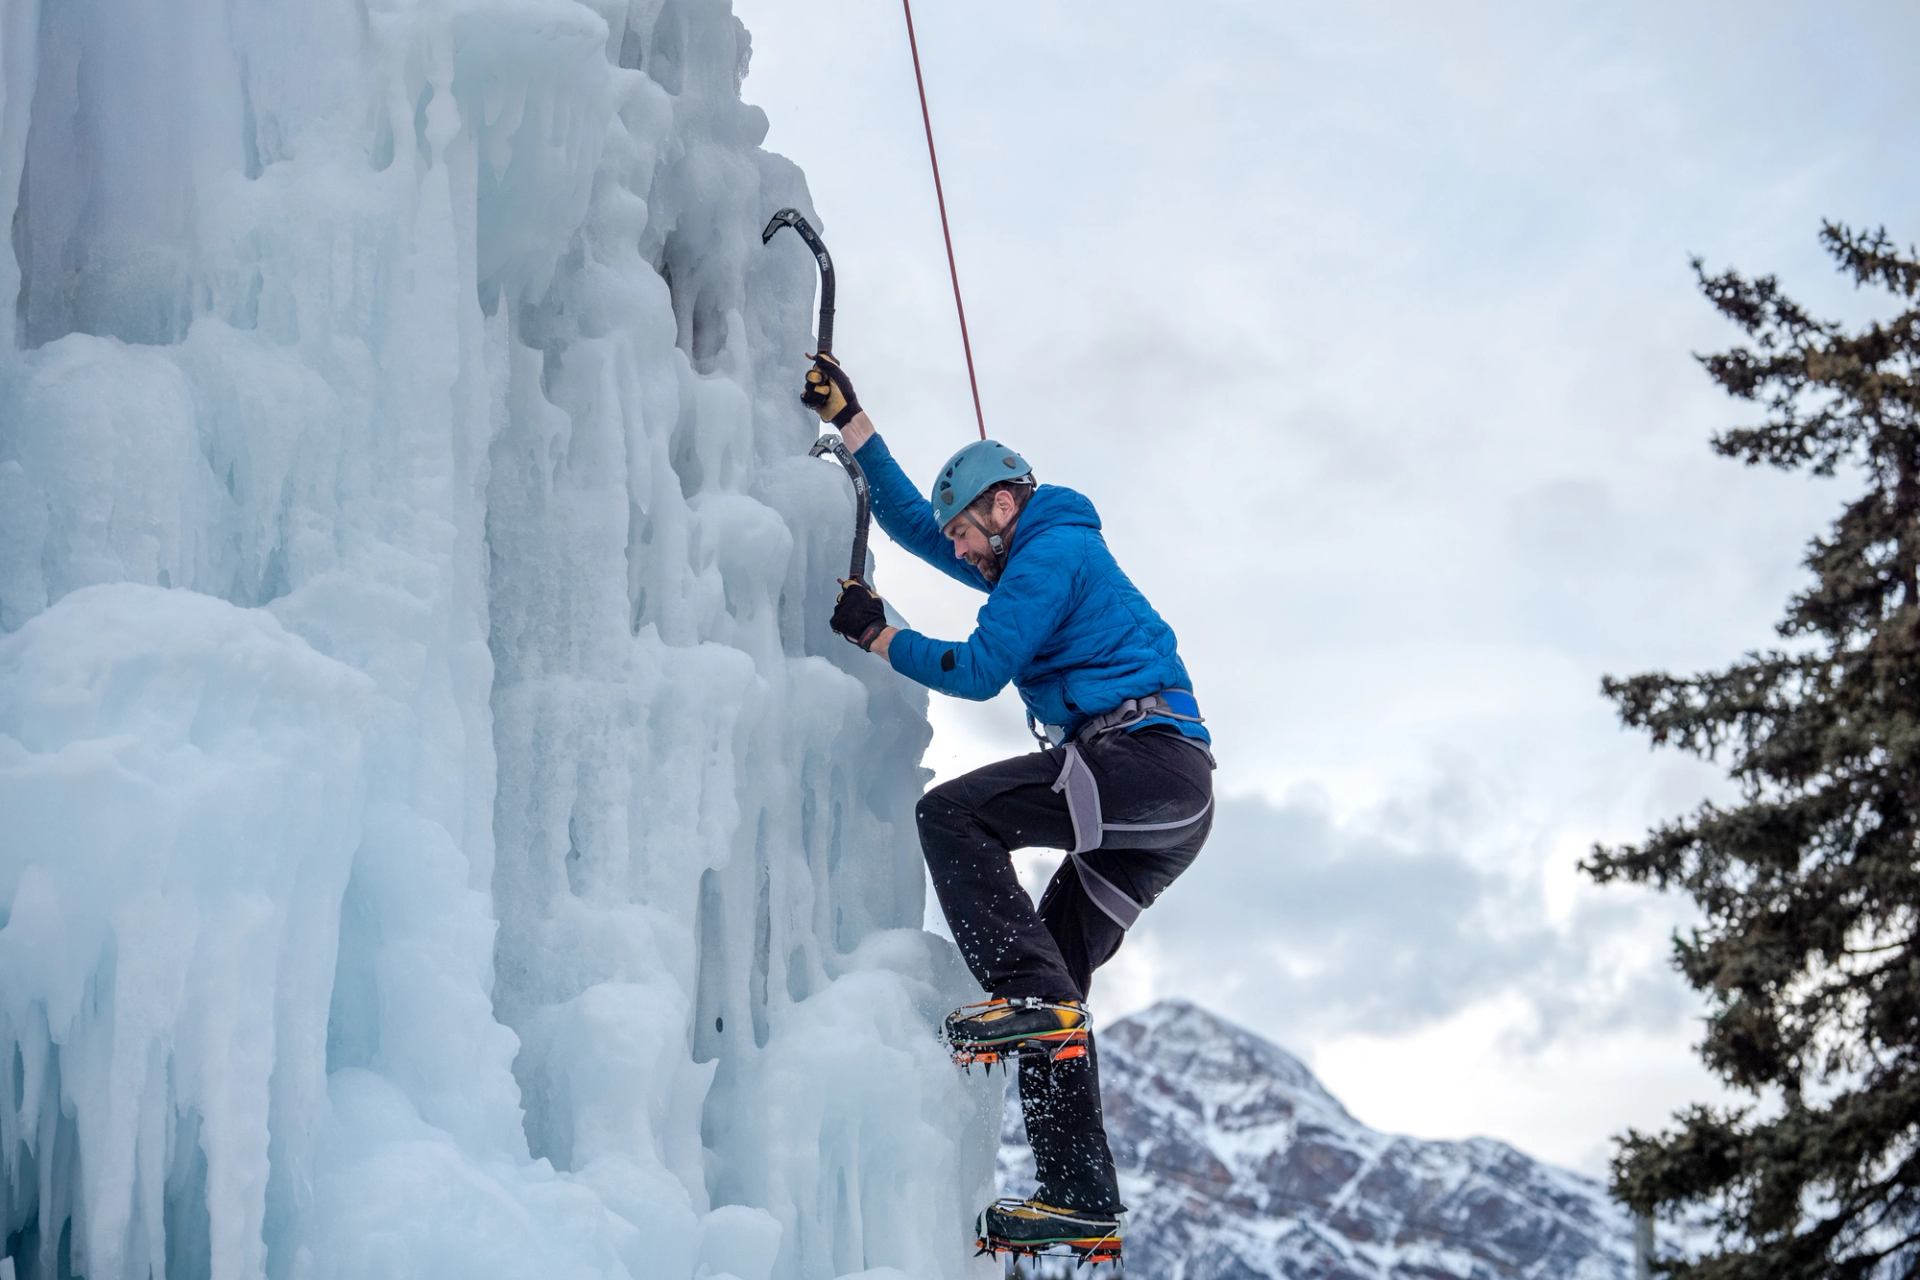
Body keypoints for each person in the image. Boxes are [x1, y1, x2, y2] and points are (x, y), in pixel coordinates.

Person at [800, 354, 1215, 1263]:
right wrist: (857, 423)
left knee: (953, 815)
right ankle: (1080, 1197)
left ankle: (1031, 999)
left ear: (1002, 506)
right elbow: (914, 525)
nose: (954, 550)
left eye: (964, 531)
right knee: (1051, 997)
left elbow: (982, 673)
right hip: (1156, 807)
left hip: (1146, 765)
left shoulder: (1051, 550)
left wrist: (880, 635)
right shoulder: (1026, 552)